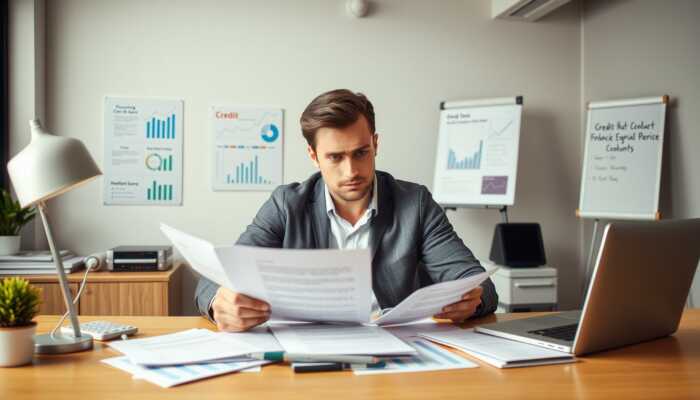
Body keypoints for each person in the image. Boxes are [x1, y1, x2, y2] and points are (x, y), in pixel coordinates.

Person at [195, 89, 498, 331]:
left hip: (395, 350)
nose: (351, 170)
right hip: (307, 347)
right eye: (335, 157)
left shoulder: (414, 203)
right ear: (313, 156)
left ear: (375, 144)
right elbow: (217, 276)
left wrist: (474, 299)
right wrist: (218, 302)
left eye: (361, 153)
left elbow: (476, 281)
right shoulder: (286, 205)